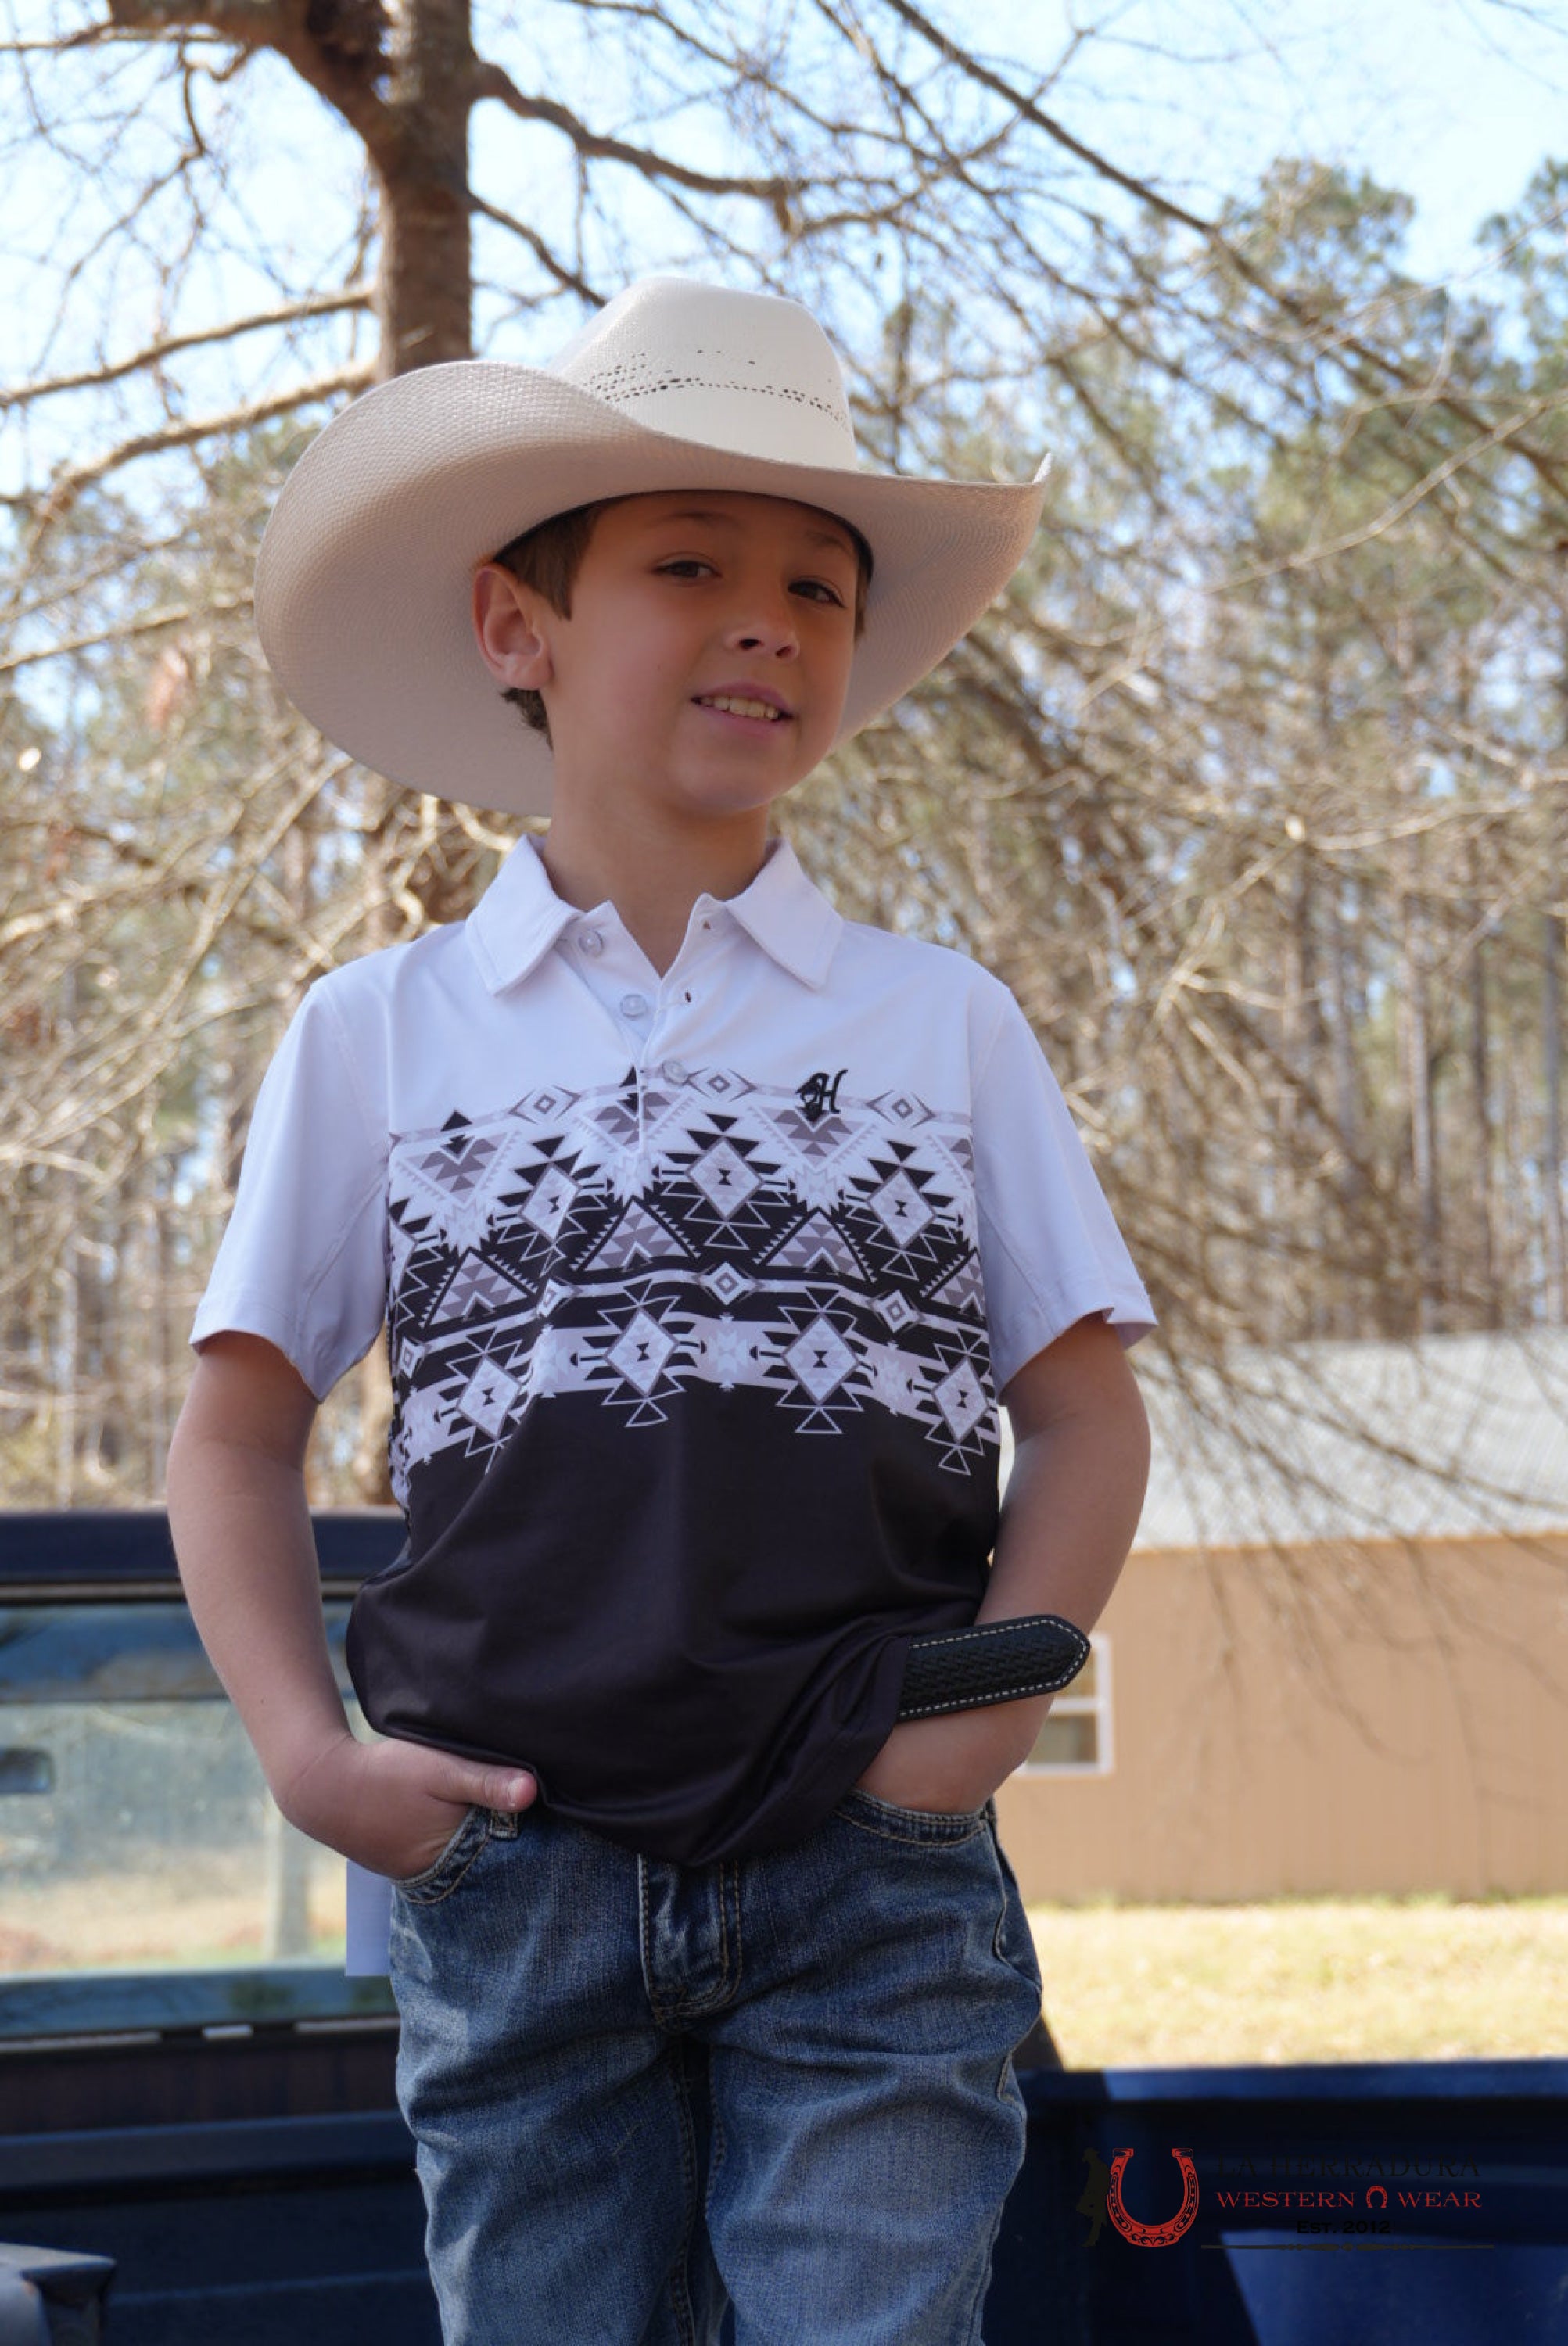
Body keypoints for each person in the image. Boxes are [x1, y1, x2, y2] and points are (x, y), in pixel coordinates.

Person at [166, 275, 1157, 2346]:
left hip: (871, 1868)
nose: (765, 621)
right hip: (512, 1868)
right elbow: (236, 1434)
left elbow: (1084, 1416)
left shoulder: (940, 1025)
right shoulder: (381, 1034)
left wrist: (976, 1722)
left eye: (816, 585)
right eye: (690, 565)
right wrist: (307, 1755)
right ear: (514, 625)